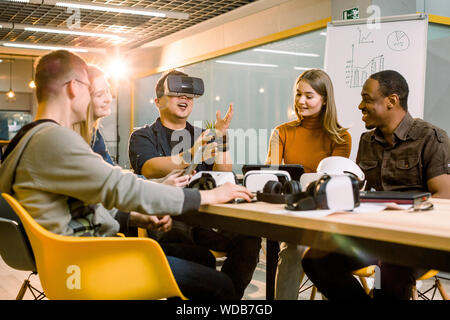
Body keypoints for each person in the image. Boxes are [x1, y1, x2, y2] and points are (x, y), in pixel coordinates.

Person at [0, 50, 254, 300]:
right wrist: (210, 196)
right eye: (92, 91)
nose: (98, 100)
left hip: (74, 257)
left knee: (202, 258)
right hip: (91, 263)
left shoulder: (25, 140)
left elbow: (87, 203)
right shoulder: (55, 139)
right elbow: (123, 187)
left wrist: (136, 217)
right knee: (221, 287)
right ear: (73, 88)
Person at [302, 70, 450, 300]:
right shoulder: (367, 141)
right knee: (315, 259)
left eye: (367, 99)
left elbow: (444, 197)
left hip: (414, 243)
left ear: (392, 101)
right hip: (375, 238)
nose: (360, 106)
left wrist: (401, 218)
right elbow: (360, 192)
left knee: (386, 273)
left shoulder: (431, 137)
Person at [128, 69, 261, 299]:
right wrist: (191, 154)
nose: (185, 99)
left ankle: (227, 299)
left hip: (205, 221)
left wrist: (221, 140)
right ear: (158, 101)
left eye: (189, 96)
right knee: (198, 256)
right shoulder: (143, 136)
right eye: (178, 93)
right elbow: (149, 167)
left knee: (250, 236)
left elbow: (223, 172)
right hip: (167, 223)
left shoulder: (201, 134)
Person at [265, 69, 352, 300]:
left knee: (324, 254)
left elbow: (334, 184)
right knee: (292, 250)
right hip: (294, 212)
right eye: (298, 94)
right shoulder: (281, 132)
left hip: (327, 216)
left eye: (309, 96)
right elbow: (271, 176)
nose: (301, 101)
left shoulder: (341, 137)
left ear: (324, 100)